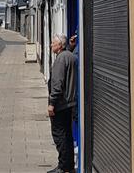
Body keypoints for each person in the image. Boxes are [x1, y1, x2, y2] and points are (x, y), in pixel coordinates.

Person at [47, 34, 78, 173]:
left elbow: (57, 84)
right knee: (67, 135)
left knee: (59, 136)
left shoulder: (60, 59)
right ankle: (69, 167)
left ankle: (63, 167)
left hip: (61, 104)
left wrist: (52, 103)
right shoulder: (70, 56)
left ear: (60, 45)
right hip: (70, 103)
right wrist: (71, 47)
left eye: (53, 43)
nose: (51, 45)